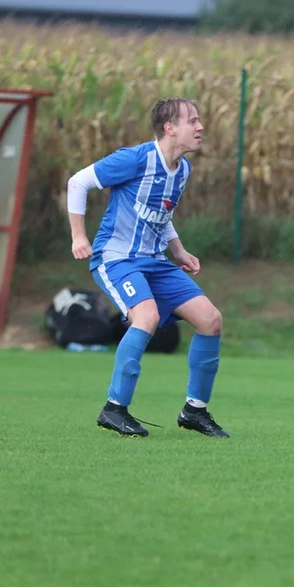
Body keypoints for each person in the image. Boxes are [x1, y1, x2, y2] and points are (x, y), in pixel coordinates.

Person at [66, 97, 228, 438]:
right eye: (193, 121)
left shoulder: (182, 168)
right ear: (170, 128)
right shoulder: (135, 159)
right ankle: (114, 408)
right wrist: (79, 236)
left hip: (156, 261)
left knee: (210, 320)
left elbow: (160, 214)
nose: (200, 127)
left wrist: (179, 251)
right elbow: (77, 182)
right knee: (147, 318)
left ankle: (194, 411)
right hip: (117, 258)